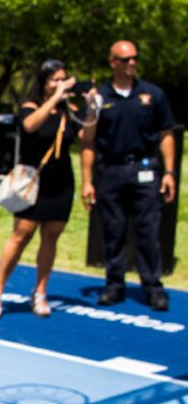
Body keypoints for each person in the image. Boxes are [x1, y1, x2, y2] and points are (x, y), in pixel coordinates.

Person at [81, 39, 177, 311]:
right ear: (113, 63)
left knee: (148, 229)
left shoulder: (152, 95)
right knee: (113, 230)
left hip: (145, 170)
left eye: (135, 57)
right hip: (111, 170)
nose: (132, 63)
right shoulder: (100, 98)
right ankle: (114, 284)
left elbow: (166, 134)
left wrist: (169, 172)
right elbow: (87, 141)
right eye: (125, 59)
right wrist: (87, 181)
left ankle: (152, 285)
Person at [0, 60, 94, 316]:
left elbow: (87, 138)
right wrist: (55, 98)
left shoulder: (68, 110)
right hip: (33, 181)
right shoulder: (31, 106)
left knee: (51, 236)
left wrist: (92, 106)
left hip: (60, 182)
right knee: (22, 234)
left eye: (64, 79)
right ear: (44, 83)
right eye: (55, 80)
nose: (60, 84)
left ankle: (40, 291)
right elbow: (29, 126)